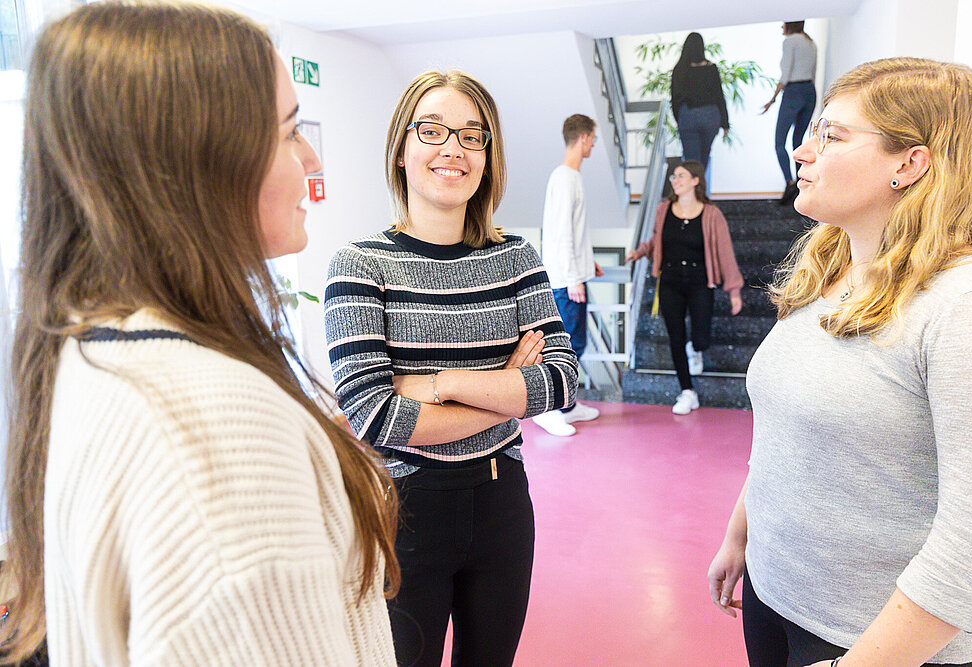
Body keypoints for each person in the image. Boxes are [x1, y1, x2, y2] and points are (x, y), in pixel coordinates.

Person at [2, 3, 399, 664]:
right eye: (289, 131)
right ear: (201, 163)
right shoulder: (216, 423)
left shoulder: (96, 348)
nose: (309, 157)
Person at [708, 57, 972, 667]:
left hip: (876, 641)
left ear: (910, 162)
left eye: (831, 136)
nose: (802, 153)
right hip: (776, 594)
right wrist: (743, 533)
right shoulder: (829, 269)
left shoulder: (970, 305)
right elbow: (788, 430)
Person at [325, 70, 578, 666]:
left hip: (503, 506)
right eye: (433, 131)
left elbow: (562, 381)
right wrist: (508, 390)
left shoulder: (515, 256)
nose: (452, 150)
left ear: (488, 157)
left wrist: (440, 385)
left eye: (472, 136)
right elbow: (372, 416)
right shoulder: (358, 265)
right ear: (402, 147)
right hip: (403, 508)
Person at [626, 160, 742, 415]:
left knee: (700, 336)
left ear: (695, 180)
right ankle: (687, 391)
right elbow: (657, 238)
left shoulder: (712, 214)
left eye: (680, 176)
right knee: (675, 337)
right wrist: (640, 251)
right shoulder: (664, 209)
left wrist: (734, 291)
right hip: (670, 281)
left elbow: (725, 252)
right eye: (673, 177)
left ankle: (697, 350)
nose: (675, 180)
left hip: (701, 281)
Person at [533, 113, 603, 436]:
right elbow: (560, 233)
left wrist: (588, 265)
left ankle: (568, 405)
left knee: (578, 343)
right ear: (585, 138)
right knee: (569, 346)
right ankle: (547, 410)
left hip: (573, 274)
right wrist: (574, 277)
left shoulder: (570, 177)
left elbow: (574, 233)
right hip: (565, 280)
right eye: (593, 138)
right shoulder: (565, 178)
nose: (593, 144)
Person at [761, 21, 818, 205]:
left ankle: (790, 182)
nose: (781, 27)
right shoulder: (810, 42)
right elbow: (813, 72)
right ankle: (801, 182)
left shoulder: (790, 42)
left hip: (793, 92)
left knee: (779, 142)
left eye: (783, 23)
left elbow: (785, 75)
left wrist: (772, 98)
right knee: (797, 142)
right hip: (810, 91)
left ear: (790, 25)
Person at [671, 32, 730, 187]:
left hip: (688, 116)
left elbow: (675, 98)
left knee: (691, 162)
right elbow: (719, 96)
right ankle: (701, 194)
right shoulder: (711, 68)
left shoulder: (680, 69)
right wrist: (725, 123)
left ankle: (693, 198)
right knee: (703, 158)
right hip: (711, 116)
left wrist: (680, 119)